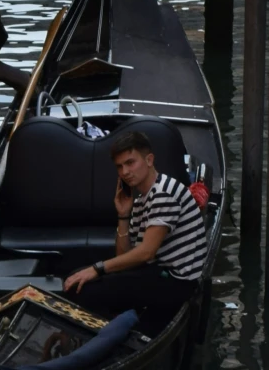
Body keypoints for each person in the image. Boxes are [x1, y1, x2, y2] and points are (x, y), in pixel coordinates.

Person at [64, 126, 208, 319]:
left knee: (83, 288)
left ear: (149, 160)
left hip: (177, 282)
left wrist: (97, 268)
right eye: (120, 166)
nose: (125, 172)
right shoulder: (141, 199)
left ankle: (109, 334)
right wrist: (123, 215)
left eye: (130, 163)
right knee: (77, 277)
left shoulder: (163, 193)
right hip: (158, 272)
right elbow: (126, 256)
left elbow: (146, 252)